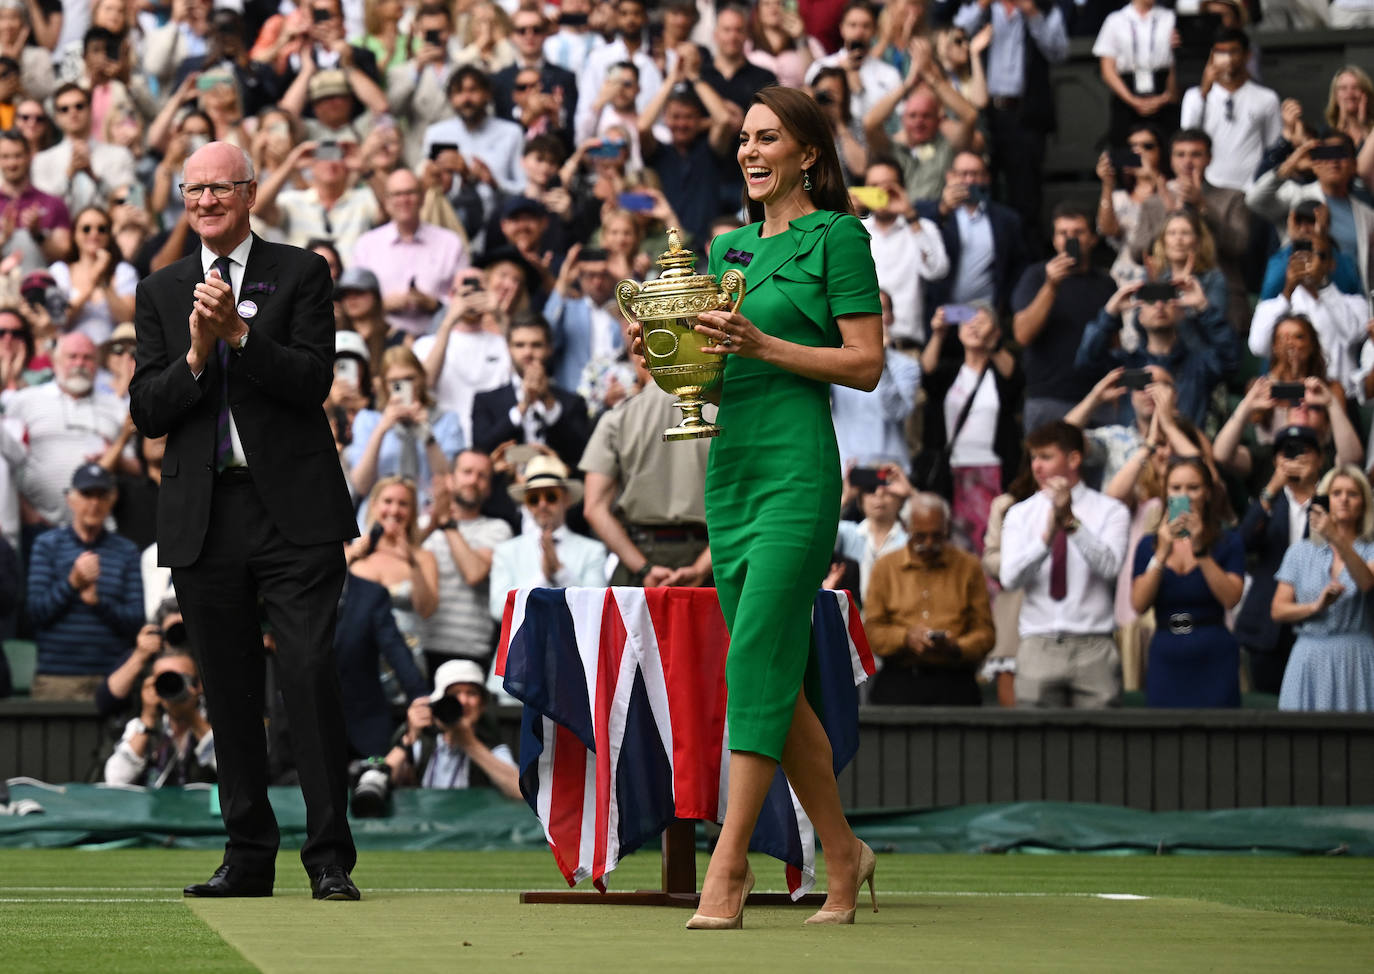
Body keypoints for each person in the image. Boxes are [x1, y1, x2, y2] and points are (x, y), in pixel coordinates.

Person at [628, 85, 884, 929]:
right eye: (743, 140)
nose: (749, 151)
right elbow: (717, 366)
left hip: (798, 473)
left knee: (750, 666)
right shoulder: (730, 247)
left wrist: (764, 343)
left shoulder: (839, 236)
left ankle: (728, 863)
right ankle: (843, 856)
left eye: (768, 138)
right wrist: (667, 354)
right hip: (730, 470)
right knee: (776, 673)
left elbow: (864, 363)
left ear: (808, 154)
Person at [129, 141, 362, 901]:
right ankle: (247, 857)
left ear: (250, 192)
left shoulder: (300, 271)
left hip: (294, 514)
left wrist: (238, 337)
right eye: (193, 190)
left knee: (305, 675)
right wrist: (197, 355)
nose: (205, 201)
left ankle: (328, 858)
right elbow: (147, 409)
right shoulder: (161, 289)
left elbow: (314, 381)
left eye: (220, 188)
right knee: (227, 690)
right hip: (204, 517)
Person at [1000, 421, 1129, 708]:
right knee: (1037, 747)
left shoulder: (1110, 510)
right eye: (1034, 458)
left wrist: (1071, 524)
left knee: (1101, 745)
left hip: (1095, 644)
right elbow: (1009, 579)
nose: (1037, 467)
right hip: (1038, 643)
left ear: (1074, 459)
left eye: (1046, 457)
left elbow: (1110, 568)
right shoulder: (1020, 514)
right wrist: (1046, 538)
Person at [579, 361, 711, 589]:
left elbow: (594, 508)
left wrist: (644, 569)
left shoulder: (619, 417)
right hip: (710, 555)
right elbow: (746, 502)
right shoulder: (721, 413)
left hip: (640, 559)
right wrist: (701, 567)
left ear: (641, 361)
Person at [952, 0, 1067, 254]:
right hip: (985, 112)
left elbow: (1058, 52)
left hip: (1025, 114)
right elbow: (955, 35)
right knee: (982, 185)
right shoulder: (980, 9)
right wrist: (982, 5)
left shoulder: (1045, 9)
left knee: (1026, 193)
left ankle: (1026, 258)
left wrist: (1032, 13)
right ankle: (986, 252)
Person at [1130, 457, 1244, 707]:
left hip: (1213, 652)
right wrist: (1161, 552)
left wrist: (1201, 550)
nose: (1185, 495)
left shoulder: (1228, 541)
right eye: (1176, 488)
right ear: (1165, 492)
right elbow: (1139, 603)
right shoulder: (1148, 545)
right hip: (1167, 651)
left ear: (1208, 493)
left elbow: (1231, 598)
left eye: (1193, 488)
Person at [26, 463, 143, 701]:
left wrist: (99, 603)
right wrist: (72, 583)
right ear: (70, 498)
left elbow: (136, 621)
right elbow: (35, 613)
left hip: (113, 679)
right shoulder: (47, 545)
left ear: (113, 499)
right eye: (87, 494)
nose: (94, 503)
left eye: (102, 495)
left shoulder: (127, 551)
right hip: (57, 679)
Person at [864, 492, 994, 705]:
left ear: (947, 529)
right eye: (920, 536)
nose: (929, 543)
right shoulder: (885, 568)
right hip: (900, 679)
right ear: (906, 529)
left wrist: (957, 646)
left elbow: (986, 633)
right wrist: (905, 638)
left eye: (937, 536)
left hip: (956, 681)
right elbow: (872, 631)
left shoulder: (968, 566)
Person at [919, 301, 1024, 554]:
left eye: (982, 321)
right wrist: (938, 334)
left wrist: (993, 346)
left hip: (993, 471)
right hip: (953, 472)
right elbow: (927, 374)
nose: (974, 325)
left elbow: (1014, 380)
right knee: (954, 546)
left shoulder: (999, 370)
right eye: (968, 321)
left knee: (991, 542)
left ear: (997, 332)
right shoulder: (951, 372)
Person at [1076, 272, 1237, 428]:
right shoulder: (1125, 366)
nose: (1159, 305)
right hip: (1135, 452)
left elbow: (1231, 358)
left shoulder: (1198, 365)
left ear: (1180, 311)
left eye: (1166, 300)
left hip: (1184, 451)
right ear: (1139, 315)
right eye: (1151, 301)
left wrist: (1203, 306)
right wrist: (1110, 312)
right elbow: (1086, 363)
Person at [1273, 464, 1374, 712]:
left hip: (1356, 656)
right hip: (1308, 655)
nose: (1344, 500)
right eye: (1337, 493)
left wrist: (1336, 538)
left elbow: (1366, 582)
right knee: (1302, 742)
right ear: (1325, 499)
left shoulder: (1370, 549)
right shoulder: (1300, 551)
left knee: (1358, 744)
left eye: (1352, 494)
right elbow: (1278, 610)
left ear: (1364, 503)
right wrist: (1315, 606)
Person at [1233, 424, 1324, 695]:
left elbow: (1336, 543)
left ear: (1320, 458)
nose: (1295, 458)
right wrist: (1270, 489)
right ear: (1275, 461)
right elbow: (1243, 543)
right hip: (1267, 628)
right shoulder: (1268, 502)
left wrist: (1316, 492)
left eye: (1303, 452)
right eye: (1287, 453)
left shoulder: (1330, 500)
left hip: (1317, 621)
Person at [1012, 204, 1117, 432]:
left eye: (1078, 232)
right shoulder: (1036, 276)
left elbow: (1114, 343)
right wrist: (1051, 286)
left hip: (1099, 399)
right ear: (1054, 241)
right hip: (1049, 398)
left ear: (1092, 239)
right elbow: (1022, 335)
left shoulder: (1106, 283)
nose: (1071, 239)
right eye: (1063, 233)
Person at [346, 346, 464, 525]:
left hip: (427, 517)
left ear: (422, 378)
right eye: (395, 382)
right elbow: (361, 484)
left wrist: (426, 433)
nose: (403, 387)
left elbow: (449, 480)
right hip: (379, 516)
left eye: (409, 378)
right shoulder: (368, 420)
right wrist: (382, 428)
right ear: (384, 385)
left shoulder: (446, 420)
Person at [420, 450, 512, 670]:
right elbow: (399, 564)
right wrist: (434, 523)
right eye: (467, 472)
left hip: (470, 649)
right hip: (419, 647)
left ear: (489, 488)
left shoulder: (497, 529)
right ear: (450, 479)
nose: (473, 480)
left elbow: (474, 573)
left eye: (482, 476)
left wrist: (447, 524)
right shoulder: (423, 524)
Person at [487, 455, 606, 619]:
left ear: (567, 499)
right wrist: (542, 578)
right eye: (534, 499)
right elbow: (499, 610)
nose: (542, 504)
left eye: (550, 497)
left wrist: (559, 570)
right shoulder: (506, 551)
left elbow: (597, 609)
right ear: (527, 505)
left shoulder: (593, 551)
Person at [471, 313, 590, 472]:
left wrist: (548, 401)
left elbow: (582, 454)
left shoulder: (573, 403)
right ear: (508, 348)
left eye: (536, 345)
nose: (528, 353)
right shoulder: (485, 401)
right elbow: (481, 451)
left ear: (549, 349)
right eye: (519, 345)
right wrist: (523, 406)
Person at [384, 658, 521, 796]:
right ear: (438, 704)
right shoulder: (424, 742)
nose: (463, 701)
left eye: (471, 693)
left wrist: (469, 743)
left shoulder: (492, 747)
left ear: (481, 705)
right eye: (454, 694)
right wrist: (409, 738)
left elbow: (522, 791)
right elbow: (380, 781)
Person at [1178, 28, 1279, 192]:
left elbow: (1272, 147)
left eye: (1234, 51)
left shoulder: (1267, 98)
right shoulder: (1194, 96)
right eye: (1221, 52)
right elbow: (1187, 140)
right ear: (1212, 56)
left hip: (1250, 188)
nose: (1228, 59)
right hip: (1207, 187)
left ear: (1248, 55)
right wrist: (1204, 91)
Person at [103, 646, 217, 787]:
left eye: (181, 679)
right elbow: (115, 779)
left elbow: (234, 770)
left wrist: (194, 719)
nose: (173, 686)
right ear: (152, 685)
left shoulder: (216, 722)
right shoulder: (142, 725)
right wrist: (148, 717)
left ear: (198, 684)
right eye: (165, 679)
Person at [1092, 0, 1177, 147]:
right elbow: (1107, 69)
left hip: (1162, 85)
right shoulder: (1116, 20)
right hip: (1127, 90)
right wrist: (1132, 100)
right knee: (1125, 147)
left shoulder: (1170, 18)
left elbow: (1177, 61)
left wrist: (1166, 96)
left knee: (1166, 142)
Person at [49, 204, 136, 345]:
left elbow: (126, 318)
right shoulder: (59, 271)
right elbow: (58, 320)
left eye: (101, 229)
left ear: (109, 235)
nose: (94, 234)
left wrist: (104, 282)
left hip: (111, 353)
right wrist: (92, 281)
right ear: (75, 234)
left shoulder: (124, 271)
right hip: (70, 352)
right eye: (86, 229)